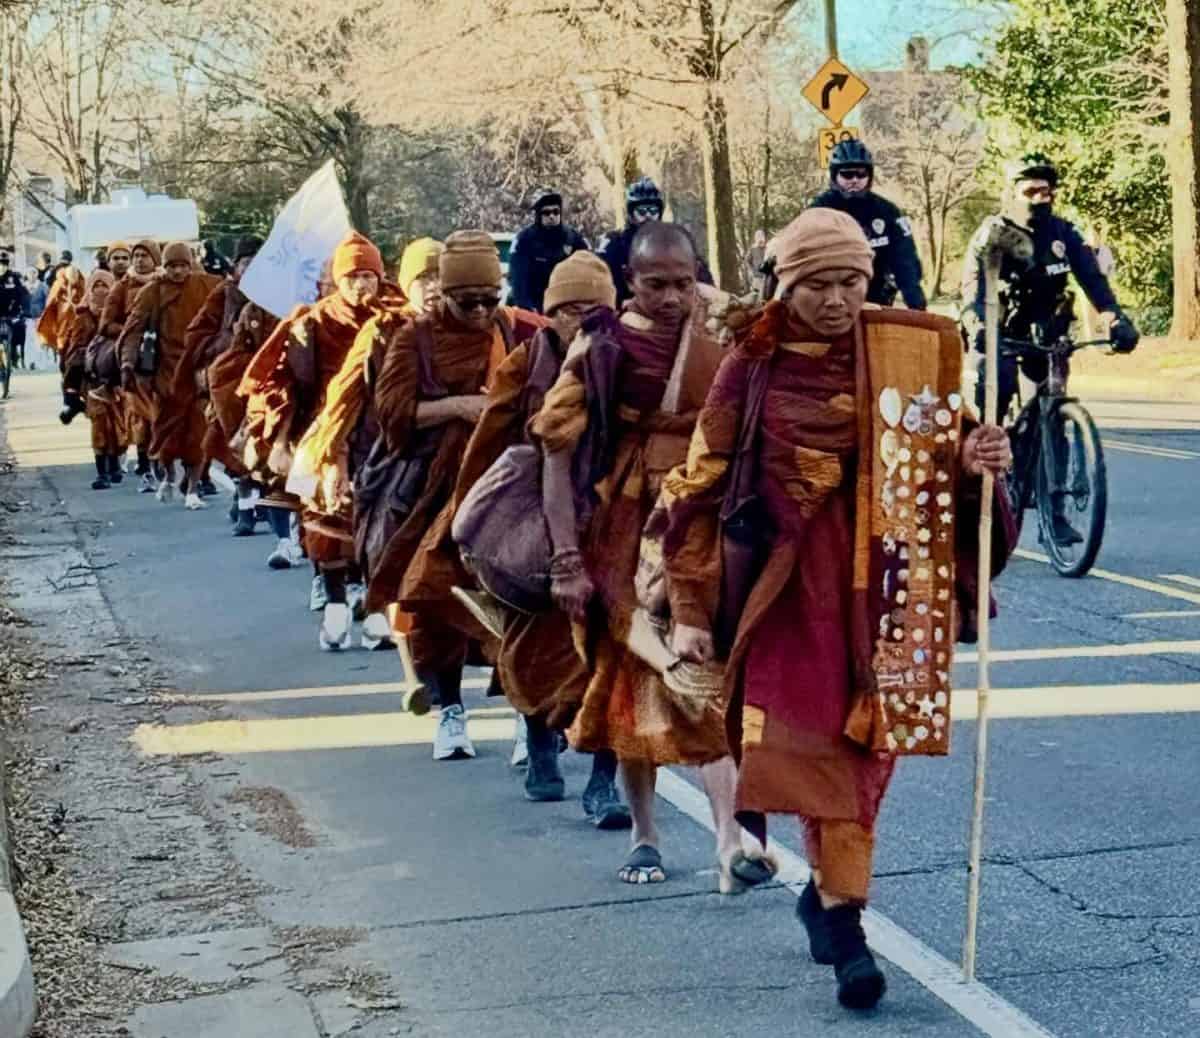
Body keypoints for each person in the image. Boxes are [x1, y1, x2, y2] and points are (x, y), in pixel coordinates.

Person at [659, 208, 1015, 1010]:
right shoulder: (751, 365)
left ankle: (828, 897)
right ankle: (846, 926)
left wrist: (973, 458)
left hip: (889, 588)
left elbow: (942, 452)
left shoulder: (906, 352)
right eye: (817, 284)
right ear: (783, 286)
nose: (836, 300)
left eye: (850, 282)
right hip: (787, 596)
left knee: (866, 756)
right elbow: (700, 483)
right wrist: (687, 602)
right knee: (817, 755)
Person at [531, 222, 767, 890]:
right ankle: (644, 833)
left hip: (710, 516)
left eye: (683, 281)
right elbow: (556, 448)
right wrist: (568, 559)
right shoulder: (601, 345)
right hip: (626, 529)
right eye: (655, 283)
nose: (671, 297)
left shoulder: (726, 328)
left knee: (706, 671)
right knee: (633, 683)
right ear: (630, 280)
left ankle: (729, 839)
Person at [448, 250, 632, 822]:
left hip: (610, 522)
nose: (578, 321)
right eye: (566, 310)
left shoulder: (631, 357)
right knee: (535, 650)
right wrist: (481, 524)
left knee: (613, 655)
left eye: (592, 309)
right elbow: (489, 445)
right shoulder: (526, 363)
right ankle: (537, 744)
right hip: (538, 528)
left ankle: (604, 781)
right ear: (549, 313)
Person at [364, 231, 544, 757]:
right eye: (469, 302)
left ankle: (524, 717)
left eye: (492, 300)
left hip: (501, 491)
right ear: (444, 294)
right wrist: (460, 407)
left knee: (513, 599)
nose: (482, 312)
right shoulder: (413, 340)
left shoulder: (513, 332)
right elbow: (393, 415)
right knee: (436, 600)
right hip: (432, 488)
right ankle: (449, 711)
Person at [238, 231, 406, 648]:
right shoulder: (311, 323)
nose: (360, 285)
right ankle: (333, 605)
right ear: (337, 278)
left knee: (382, 526)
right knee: (325, 522)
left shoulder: (398, 319)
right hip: (323, 433)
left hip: (383, 433)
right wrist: (279, 440)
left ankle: (374, 611)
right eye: (351, 277)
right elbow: (285, 384)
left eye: (369, 275)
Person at [960, 153, 1138, 544]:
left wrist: (1114, 317)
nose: (1041, 197)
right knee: (996, 390)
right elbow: (972, 288)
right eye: (1031, 190)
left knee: (1053, 411)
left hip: (1049, 334)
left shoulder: (1063, 233)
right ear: (1013, 193)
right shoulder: (994, 234)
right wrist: (975, 323)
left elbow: (1093, 280)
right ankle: (987, 492)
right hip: (1000, 333)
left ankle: (1053, 514)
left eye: (1047, 190)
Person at [118, 242, 222, 509]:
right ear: (164, 266)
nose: (178, 272)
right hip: (165, 374)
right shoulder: (152, 291)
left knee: (198, 431)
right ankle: (168, 474)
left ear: (190, 265)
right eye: (173, 266)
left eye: (183, 266)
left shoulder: (206, 286)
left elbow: (226, 314)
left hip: (197, 370)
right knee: (166, 431)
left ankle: (193, 488)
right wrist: (128, 362)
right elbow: (133, 329)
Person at [176, 236, 266, 534]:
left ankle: (262, 505)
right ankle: (245, 508)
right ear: (236, 267)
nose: (252, 270)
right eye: (246, 263)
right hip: (230, 383)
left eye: (259, 263)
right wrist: (225, 347)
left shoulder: (279, 294)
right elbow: (196, 333)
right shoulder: (224, 294)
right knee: (233, 443)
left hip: (270, 379)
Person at [809, 139, 927, 310]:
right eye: (847, 174)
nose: (855, 180)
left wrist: (917, 306)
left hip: (876, 300)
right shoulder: (818, 210)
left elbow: (905, 261)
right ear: (835, 175)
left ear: (870, 176)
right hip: (830, 301)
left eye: (861, 174)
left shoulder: (888, 212)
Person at [101, 240, 159, 490]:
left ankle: (195, 475)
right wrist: (130, 331)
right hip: (135, 360)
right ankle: (146, 467)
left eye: (144, 255)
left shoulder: (167, 285)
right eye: (135, 255)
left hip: (167, 358)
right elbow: (106, 324)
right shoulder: (122, 288)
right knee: (142, 416)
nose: (138, 260)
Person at [599, 177, 713, 303]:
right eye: (642, 212)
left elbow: (702, 278)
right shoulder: (616, 243)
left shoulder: (674, 241)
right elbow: (598, 278)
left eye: (653, 211)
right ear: (631, 214)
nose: (648, 216)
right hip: (624, 308)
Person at [63, 270, 123, 489]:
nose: (100, 292)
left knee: (117, 426)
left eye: (105, 287)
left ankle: (114, 464)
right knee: (100, 425)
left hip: (116, 381)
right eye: (96, 287)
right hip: (93, 381)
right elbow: (72, 352)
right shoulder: (82, 318)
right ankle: (102, 472)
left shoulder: (120, 316)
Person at [507, 189, 589, 312]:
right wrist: (526, 307)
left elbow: (587, 270)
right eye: (546, 213)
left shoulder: (573, 238)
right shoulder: (524, 240)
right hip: (533, 303)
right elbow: (518, 278)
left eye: (556, 212)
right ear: (538, 215)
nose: (552, 216)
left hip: (564, 304)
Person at [0, 252, 28, 368]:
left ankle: (13, 353)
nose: (2, 266)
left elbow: (23, 293)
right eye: (0, 264)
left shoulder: (14, 277)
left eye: (4, 264)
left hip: (11, 312)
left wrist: (22, 310)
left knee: (19, 328)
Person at [23, 268, 51, 371]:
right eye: (29, 274)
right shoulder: (23, 286)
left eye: (33, 273)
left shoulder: (43, 286)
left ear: (37, 275)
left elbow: (48, 300)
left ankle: (42, 364)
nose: (31, 276)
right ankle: (30, 362)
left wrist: (45, 315)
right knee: (29, 342)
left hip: (40, 318)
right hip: (28, 318)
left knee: (40, 341)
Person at [742, 229, 768, 297]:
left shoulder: (768, 247)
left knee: (766, 295)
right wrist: (751, 271)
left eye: (761, 236)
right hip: (756, 276)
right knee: (756, 295)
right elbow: (747, 260)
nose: (760, 238)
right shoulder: (753, 249)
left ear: (764, 237)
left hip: (767, 276)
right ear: (755, 238)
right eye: (758, 236)